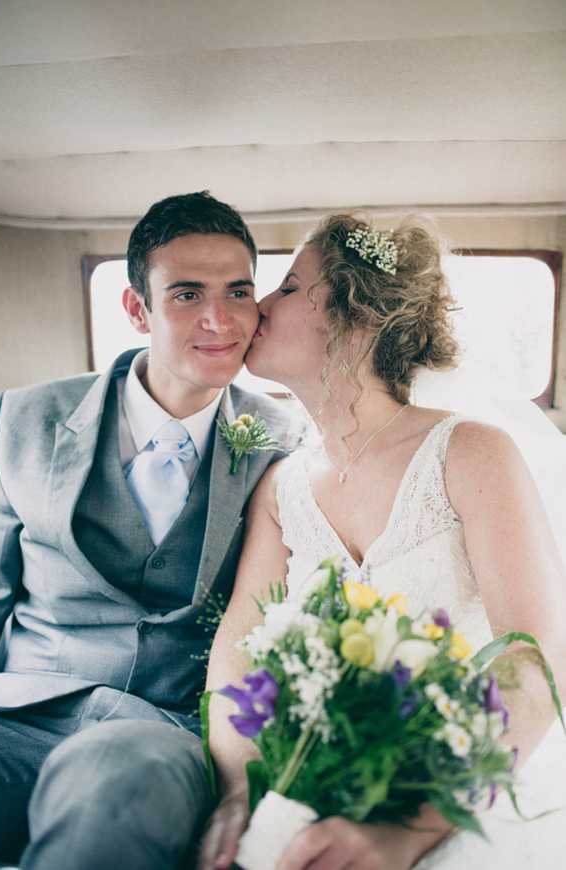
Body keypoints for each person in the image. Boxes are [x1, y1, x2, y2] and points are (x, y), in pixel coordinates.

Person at [200, 214, 566, 870]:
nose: (256, 306)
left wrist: (408, 833)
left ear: (356, 316)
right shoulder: (279, 490)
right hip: (328, 779)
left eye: (286, 288)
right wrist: (242, 792)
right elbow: (235, 655)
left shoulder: (471, 454)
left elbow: (533, 665)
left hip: (467, 786)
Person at [0, 191, 296, 868]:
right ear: (137, 309)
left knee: (108, 799)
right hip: (15, 712)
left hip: (164, 736)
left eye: (238, 291)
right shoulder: (21, 419)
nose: (220, 319)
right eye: (187, 294)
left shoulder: (289, 444)